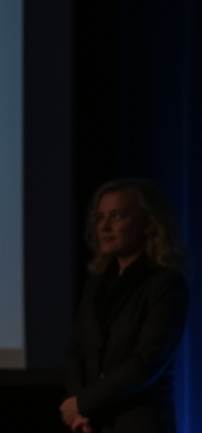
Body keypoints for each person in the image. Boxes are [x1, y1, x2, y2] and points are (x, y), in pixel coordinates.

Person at [61, 178, 189, 433]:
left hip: (139, 423)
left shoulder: (166, 284)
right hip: (90, 424)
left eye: (118, 216)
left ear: (148, 224)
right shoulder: (96, 283)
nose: (104, 227)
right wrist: (79, 412)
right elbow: (76, 351)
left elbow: (145, 363)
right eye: (99, 218)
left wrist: (83, 403)